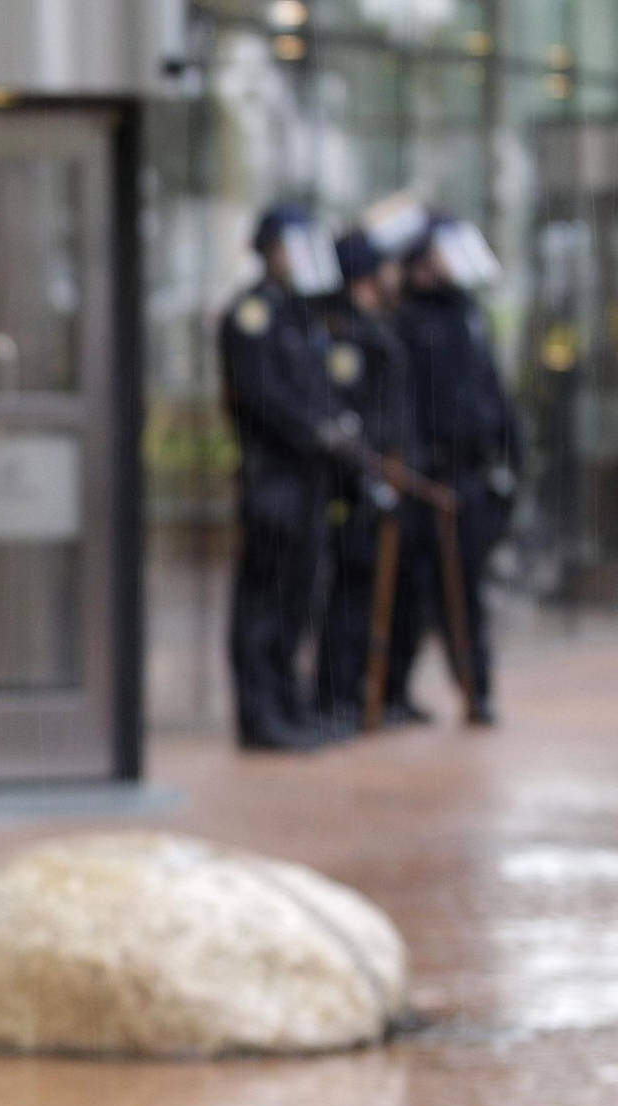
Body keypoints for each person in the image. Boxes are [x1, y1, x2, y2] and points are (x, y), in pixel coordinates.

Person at [219, 203, 353, 751]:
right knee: (264, 604)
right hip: (273, 479)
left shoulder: (302, 315)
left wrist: (336, 426)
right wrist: (313, 429)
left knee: (297, 598)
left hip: (309, 482)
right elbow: (261, 398)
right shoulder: (251, 316)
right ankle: (260, 714)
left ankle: (288, 704)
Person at [394, 214, 521, 725]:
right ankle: (393, 691)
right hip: (428, 479)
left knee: (465, 589)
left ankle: (477, 687)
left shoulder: (468, 313)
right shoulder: (407, 321)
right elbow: (406, 405)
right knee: (415, 589)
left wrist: (511, 455)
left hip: (471, 475)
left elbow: (493, 392)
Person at [313, 228, 429, 726]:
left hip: (391, 478)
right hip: (357, 481)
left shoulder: (380, 324)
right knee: (350, 593)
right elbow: (349, 410)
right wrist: (369, 474)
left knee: (391, 593)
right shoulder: (341, 330)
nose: (392, 276)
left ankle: (376, 690)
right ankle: (338, 695)